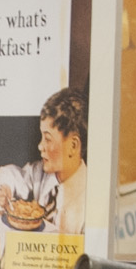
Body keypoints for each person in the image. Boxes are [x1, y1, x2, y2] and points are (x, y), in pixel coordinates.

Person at [36, 85, 89, 234]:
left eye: (48, 139)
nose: (40, 146)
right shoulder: (40, 173)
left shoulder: (89, 203)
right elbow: (12, 175)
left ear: (73, 146)